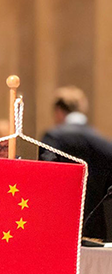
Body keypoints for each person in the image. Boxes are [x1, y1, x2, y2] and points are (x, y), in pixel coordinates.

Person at [40, 86, 112, 240]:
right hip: (95, 228)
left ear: (58, 111)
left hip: (60, 226)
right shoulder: (104, 143)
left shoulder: (53, 137)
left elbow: (46, 175)